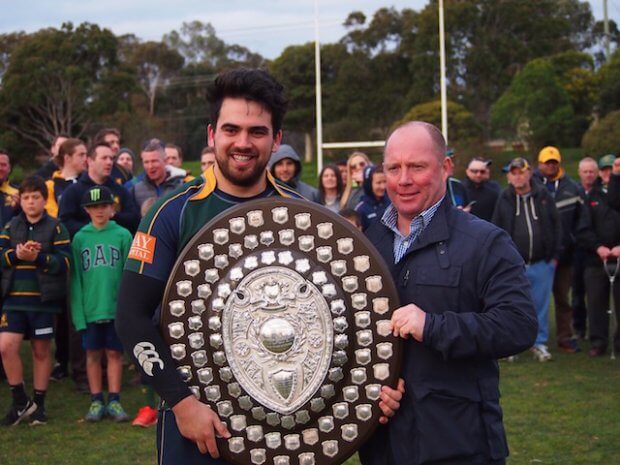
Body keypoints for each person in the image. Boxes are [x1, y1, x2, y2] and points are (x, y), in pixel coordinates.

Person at [115, 68, 400, 464]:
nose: (243, 143)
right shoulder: (172, 213)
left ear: (277, 139)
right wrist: (181, 403)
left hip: (289, 434)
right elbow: (130, 317)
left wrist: (375, 385)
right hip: (197, 430)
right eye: (231, 130)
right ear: (212, 134)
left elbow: (349, 315)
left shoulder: (307, 217)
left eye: (257, 132)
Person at [360, 122, 537, 465]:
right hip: (383, 446)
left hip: (460, 443)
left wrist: (433, 326)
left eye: (417, 167)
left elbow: (519, 325)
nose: (404, 179)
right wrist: (372, 390)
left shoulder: (486, 242)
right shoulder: (368, 243)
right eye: (394, 168)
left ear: (446, 167)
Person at [0, 176, 71, 426]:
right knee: (6, 346)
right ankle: (20, 401)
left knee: (41, 351)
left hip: (43, 301)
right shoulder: (11, 226)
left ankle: (38, 406)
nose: (31, 202)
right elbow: (1, 257)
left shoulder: (56, 227)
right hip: (13, 300)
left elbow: (65, 262)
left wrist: (38, 258)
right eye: (26, 197)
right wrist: (16, 255)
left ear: (44, 199)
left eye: (36, 197)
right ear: (20, 201)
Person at [71, 186, 132, 422]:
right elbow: (75, 279)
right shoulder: (80, 238)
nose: (99, 210)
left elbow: (130, 276)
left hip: (115, 307)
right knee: (93, 354)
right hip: (90, 308)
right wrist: (78, 314)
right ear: (87, 210)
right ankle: (97, 400)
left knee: (115, 354)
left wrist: (126, 310)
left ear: (112, 208)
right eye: (93, 207)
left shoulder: (123, 235)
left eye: (103, 206)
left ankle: (114, 400)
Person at [492, 157, 560, 362]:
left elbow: (556, 225)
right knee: (513, 305)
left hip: (542, 262)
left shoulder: (543, 195)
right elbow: (496, 229)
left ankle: (539, 343)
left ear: (530, 173)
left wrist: (554, 256)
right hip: (514, 265)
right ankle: (512, 345)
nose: (518, 176)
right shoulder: (504, 198)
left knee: (540, 305)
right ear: (508, 176)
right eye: (514, 173)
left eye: (522, 172)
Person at [44, 138, 88, 385]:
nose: (85, 158)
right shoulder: (53, 184)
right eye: (81, 154)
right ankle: (62, 361)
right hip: (61, 252)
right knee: (61, 314)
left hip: (83, 255)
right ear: (67, 157)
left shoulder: (83, 184)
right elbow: (55, 217)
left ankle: (79, 362)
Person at [534, 146, 585, 352]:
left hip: (565, 255)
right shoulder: (532, 186)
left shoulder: (572, 187)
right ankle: (534, 340)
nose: (551, 165)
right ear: (540, 164)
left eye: (554, 162)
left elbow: (582, 219)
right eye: (547, 162)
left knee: (563, 299)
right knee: (537, 300)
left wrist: (572, 240)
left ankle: (565, 336)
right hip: (540, 256)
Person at [578, 154, 620, 356]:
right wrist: (598, 247)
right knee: (596, 303)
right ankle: (598, 341)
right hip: (596, 260)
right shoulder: (591, 196)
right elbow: (583, 229)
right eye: (604, 170)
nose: (608, 174)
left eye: (611, 170)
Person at [59, 142, 140, 237]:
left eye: (111, 158)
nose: (109, 162)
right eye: (104, 158)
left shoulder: (121, 190)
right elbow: (65, 223)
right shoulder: (73, 191)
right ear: (90, 161)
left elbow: (134, 219)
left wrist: (112, 216)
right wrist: (92, 229)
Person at [572, 157, 599, 339]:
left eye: (592, 171)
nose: (588, 175)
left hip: (595, 249)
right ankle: (579, 328)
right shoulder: (574, 192)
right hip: (576, 249)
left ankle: (597, 328)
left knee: (596, 292)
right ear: (579, 173)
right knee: (577, 291)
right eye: (585, 171)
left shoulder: (602, 193)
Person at [131, 139, 186, 212]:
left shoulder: (181, 186)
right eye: (146, 162)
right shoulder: (136, 190)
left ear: (165, 161)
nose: (150, 166)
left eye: (154, 161)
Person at [462, 157, 500, 221]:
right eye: (474, 171)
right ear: (467, 171)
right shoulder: (459, 189)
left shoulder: (493, 192)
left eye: (482, 172)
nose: (478, 174)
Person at [355, 164, 391, 231]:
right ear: (368, 184)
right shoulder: (361, 209)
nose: (383, 186)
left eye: (384, 182)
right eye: (378, 183)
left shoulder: (391, 202)